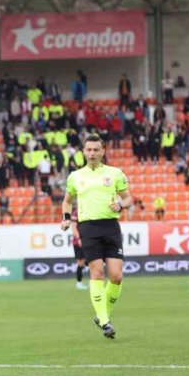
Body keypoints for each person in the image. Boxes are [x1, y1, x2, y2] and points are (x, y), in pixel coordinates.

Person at [61, 134, 134, 339]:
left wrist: (120, 205)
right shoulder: (75, 176)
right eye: (89, 150)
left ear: (103, 151)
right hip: (88, 227)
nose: (92, 153)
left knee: (116, 276)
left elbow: (129, 198)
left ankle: (102, 316)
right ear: (83, 152)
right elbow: (67, 201)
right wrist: (66, 218)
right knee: (96, 273)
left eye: (96, 150)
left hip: (110, 226)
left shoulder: (115, 173)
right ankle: (105, 322)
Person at [71, 203, 88, 290]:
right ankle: (79, 283)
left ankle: (94, 281)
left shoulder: (89, 211)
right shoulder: (76, 213)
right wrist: (78, 239)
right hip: (78, 242)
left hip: (89, 240)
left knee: (92, 261)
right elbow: (73, 228)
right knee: (81, 262)